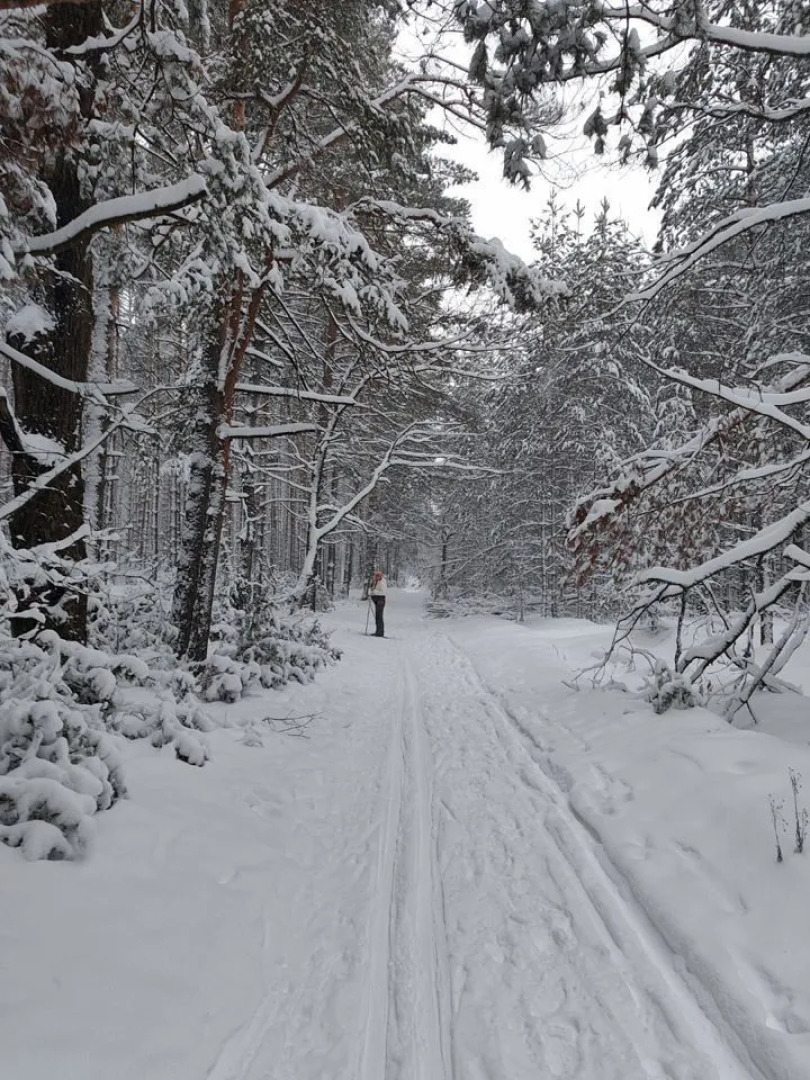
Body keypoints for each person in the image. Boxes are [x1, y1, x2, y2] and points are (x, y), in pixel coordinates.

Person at [369, 569, 387, 637]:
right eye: (376, 575)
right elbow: (372, 589)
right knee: (377, 616)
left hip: (380, 600)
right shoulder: (376, 581)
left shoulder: (382, 582)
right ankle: (378, 631)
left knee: (379, 616)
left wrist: (373, 592)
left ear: (381, 576)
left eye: (378, 576)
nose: (376, 577)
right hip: (376, 600)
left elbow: (382, 592)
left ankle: (380, 632)